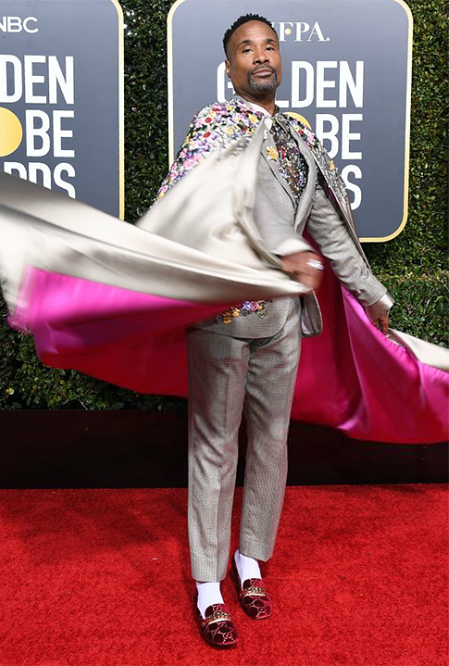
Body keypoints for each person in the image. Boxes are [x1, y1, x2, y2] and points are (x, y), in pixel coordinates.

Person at [157, 14, 393, 648]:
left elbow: (330, 224)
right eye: (245, 49)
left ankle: (249, 560)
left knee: (271, 443)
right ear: (229, 67)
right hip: (223, 318)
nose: (260, 57)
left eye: (268, 47)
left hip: (282, 320)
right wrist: (280, 246)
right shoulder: (214, 127)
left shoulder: (299, 135)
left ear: (279, 59)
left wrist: (372, 292)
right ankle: (208, 586)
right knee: (215, 447)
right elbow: (201, 205)